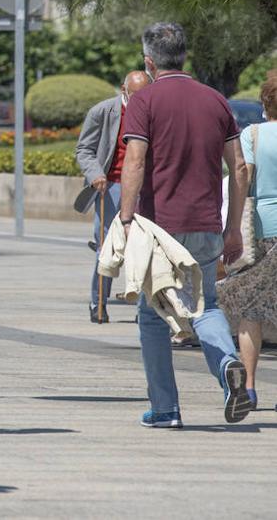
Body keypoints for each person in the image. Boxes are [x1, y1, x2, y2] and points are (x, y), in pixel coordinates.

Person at [119, 21, 252, 427]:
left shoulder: (144, 102)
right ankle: (228, 363)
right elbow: (241, 168)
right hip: (207, 224)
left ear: (149, 60)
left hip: (160, 227)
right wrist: (232, 229)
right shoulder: (216, 101)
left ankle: (164, 409)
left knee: (152, 315)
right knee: (205, 305)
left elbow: (136, 161)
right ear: (184, 55)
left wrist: (126, 220)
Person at [219, 69, 277, 413]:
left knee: (250, 309)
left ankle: (251, 387)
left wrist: (232, 227)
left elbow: (242, 178)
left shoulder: (252, 135)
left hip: (262, 228)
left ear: (264, 102)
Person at [76, 70, 151, 323]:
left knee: (143, 249)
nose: (141, 101)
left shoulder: (153, 110)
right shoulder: (103, 111)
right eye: (135, 96)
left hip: (143, 187)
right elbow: (84, 149)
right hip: (111, 186)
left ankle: (145, 308)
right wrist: (95, 173)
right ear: (123, 90)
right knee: (106, 247)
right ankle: (97, 302)